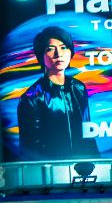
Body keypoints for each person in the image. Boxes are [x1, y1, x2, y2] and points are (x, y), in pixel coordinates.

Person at [17, 25, 98, 160]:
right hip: (51, 172)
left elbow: (87, 132)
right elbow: (30, 149)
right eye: (50, 49)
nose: (58, 54)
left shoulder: (78, 88)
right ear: (40, 55)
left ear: (70, 52)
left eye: (63, 47)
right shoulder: (32, 98)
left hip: (83, 167)